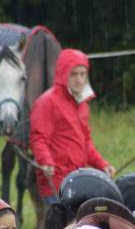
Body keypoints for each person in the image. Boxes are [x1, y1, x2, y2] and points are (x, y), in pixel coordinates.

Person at [30, 48, 115, 207]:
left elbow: (86, 142)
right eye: (74, 74)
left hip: (77, 180)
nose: (79, 80)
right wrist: (45, 161)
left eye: (83, 74)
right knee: (63, 223)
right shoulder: (47, 102)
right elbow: (39, 138)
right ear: (63, 74)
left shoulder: (82, 104)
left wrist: (102, 164)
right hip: (55, 182)